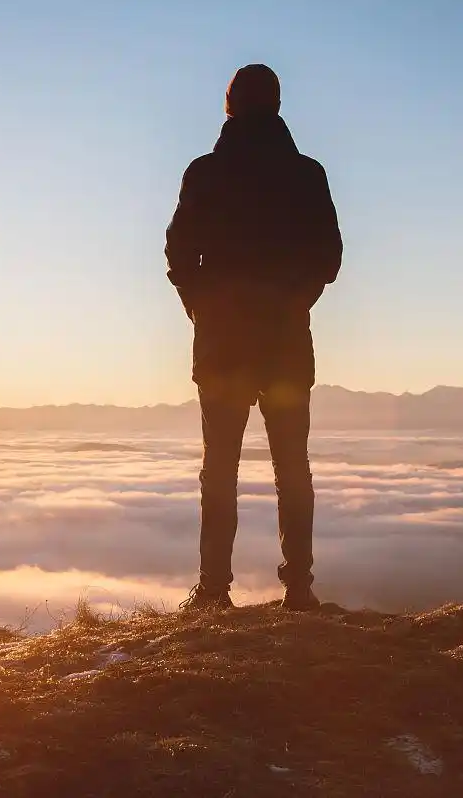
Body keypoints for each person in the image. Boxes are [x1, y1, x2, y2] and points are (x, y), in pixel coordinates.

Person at [165, 64, 342, 612]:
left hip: (221, 347)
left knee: (219, 467)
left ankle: (213, 591)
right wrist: (295, 303)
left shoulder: (205, 173)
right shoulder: (307, 174)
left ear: (230, 106)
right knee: (293, 467)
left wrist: (201, 307)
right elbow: (329, 258)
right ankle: (300, 590)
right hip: (286, 346)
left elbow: (177, 254)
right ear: (278, 104)